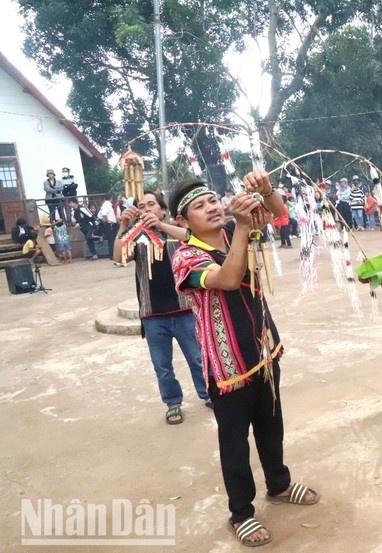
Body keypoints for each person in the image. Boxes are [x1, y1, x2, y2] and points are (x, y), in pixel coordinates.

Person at [168, 173, 319, 547]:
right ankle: (241, 512)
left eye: (212, 201)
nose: (212, 208)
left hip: (263, 349)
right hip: (227, 364)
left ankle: (279, 485)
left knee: (271, 424)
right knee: (235, 441)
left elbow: (278, 212)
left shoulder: (240, 231)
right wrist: (240, 227)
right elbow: (229, 278)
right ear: (184, 222)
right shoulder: (186, 257)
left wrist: (265, 189)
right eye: (199, 206)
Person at [113, 190, 209, 423]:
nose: (146, 209)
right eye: (141, 206)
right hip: (153, 314)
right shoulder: (136, 237)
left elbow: (195, 238)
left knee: (197, 357)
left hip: (184, 309)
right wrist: (124, 225)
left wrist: (161, 226)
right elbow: (119, 257)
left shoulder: (175, 233)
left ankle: (207, 394)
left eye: (151, 204)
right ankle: (173, 402)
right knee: (162, 366)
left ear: (163, 210)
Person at [98, 194, 119, 260]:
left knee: (112, 239)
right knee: (111, 240)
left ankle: (113, 254)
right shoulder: (106, 205)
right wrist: (107, 220)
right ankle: (112, 254)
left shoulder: (106, 205)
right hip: (110, 224)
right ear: (111, 198)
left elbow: (99, 215)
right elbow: (103, 214)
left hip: (111, 224)